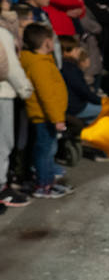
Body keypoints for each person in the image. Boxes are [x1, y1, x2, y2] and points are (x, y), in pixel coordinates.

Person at [19, 23, 69, 199]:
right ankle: (44, 184)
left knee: (47, 149)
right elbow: (46, 95)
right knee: (45, 150)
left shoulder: (41, 61)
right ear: (47, 42)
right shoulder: (39, 65)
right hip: (45, 116)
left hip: (47, 115)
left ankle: (47, 181)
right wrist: (57, 118)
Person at [0, 0, 33, 209]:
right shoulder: (2, 33)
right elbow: (11, 66)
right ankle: (2, 188)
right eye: (4, 0)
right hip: (3, 92)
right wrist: (26, 89)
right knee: (3, 143)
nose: (9, 2)